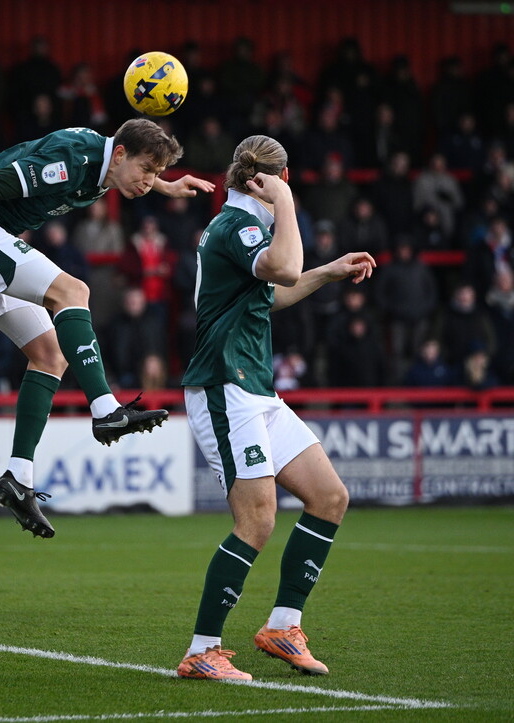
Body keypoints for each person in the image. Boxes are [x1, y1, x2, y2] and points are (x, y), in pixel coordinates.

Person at [0, 119, 214, 538]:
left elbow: (126, 174)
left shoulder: (108, 165)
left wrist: (165, 184)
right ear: (119, 154)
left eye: (155, 174)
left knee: (50, 356)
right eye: (147, 170)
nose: (149, 181)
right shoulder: (69, 160)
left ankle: (18, 478)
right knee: (73, 290)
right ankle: (105, 411)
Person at [176, 135, 375, 681]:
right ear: (275, 179)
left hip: (254, 386)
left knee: (329, 496)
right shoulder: (239, 224)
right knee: (258, 519)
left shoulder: (246, 227)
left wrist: (327, 272)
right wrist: (286, 203)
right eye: (286, 181)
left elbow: (276, 288)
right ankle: (201, 650)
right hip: (224, 385)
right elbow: (284, 269)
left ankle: (283, 626)